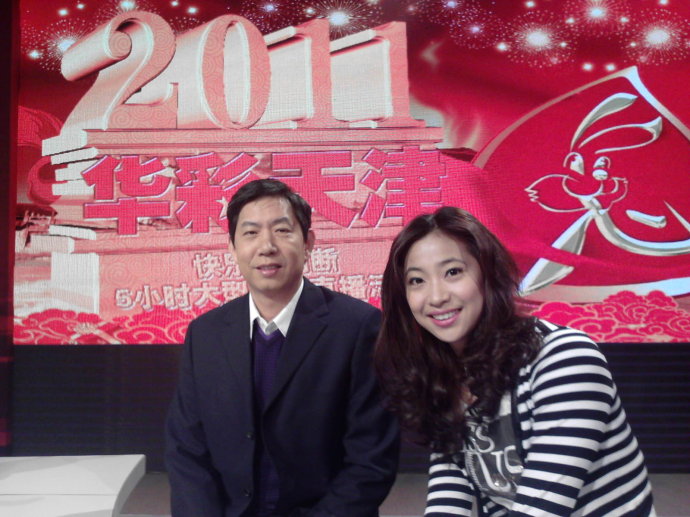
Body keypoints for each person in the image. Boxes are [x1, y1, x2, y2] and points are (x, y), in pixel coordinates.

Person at [374, 206, 655, 516]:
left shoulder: (564, 357)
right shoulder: (444, 374)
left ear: (488, 273)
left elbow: (542, 506)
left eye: (453, 272)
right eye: (417, 281)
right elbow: (450, 487)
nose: (436, 296)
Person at [166, 179, 399, 517]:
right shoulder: (205, 334)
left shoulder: (358, 327)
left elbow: (371, 460)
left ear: (308, 243)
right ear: (232, 248)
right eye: (250, 233)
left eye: (282, 231)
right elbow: (187, 449)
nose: (267, 246)